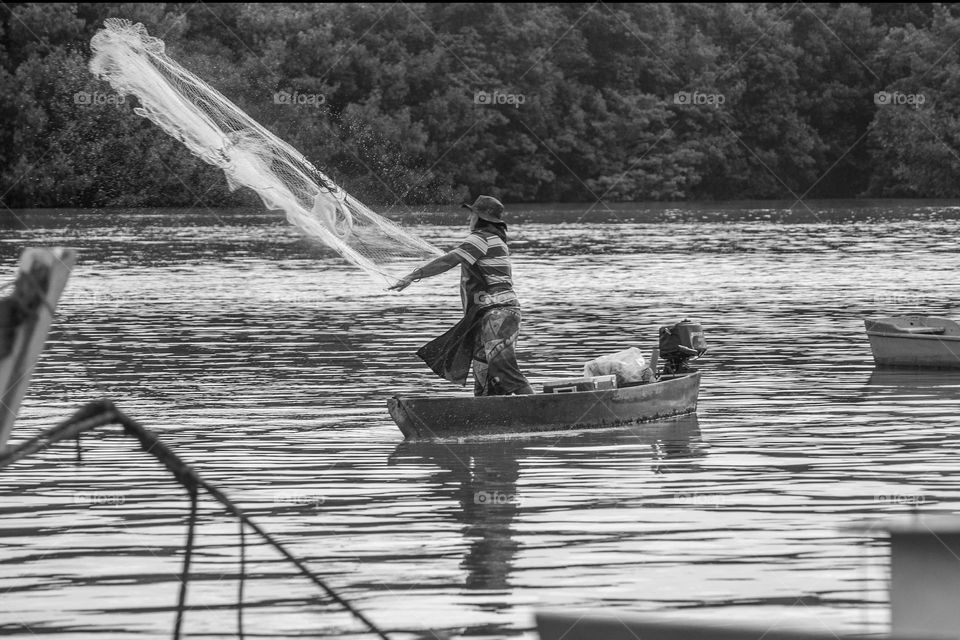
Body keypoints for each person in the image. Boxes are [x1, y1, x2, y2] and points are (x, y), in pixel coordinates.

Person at [389, 195, 534, 396]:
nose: (469, 219)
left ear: (480, 217)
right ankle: (488, 415)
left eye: (472, 214)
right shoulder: (493, 239)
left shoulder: (481, 238)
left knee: (503, 369)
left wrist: (413, 276)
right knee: (484, 373)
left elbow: (449, 260)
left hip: (498, 314)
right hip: (490, 314)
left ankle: (542, 407)